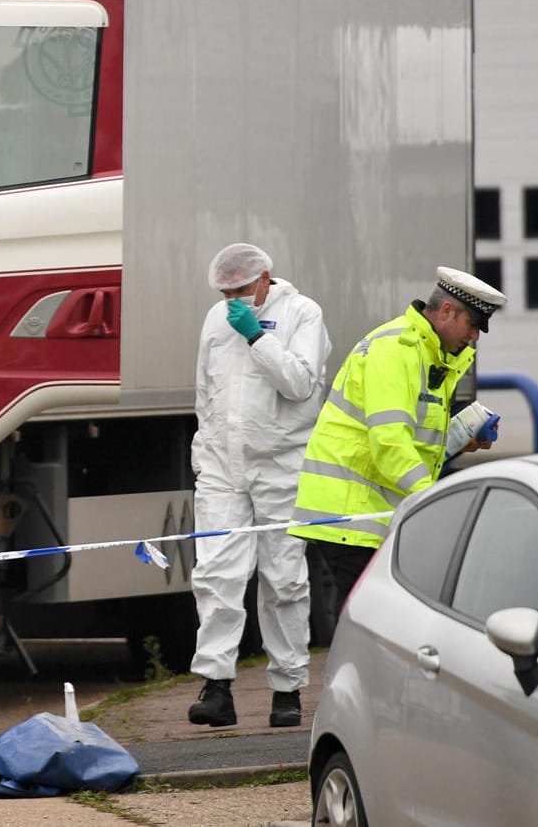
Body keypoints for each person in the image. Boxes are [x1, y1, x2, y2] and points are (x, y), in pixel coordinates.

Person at [289, 266, 506, 625]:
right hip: (351, 512)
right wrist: (433, 501)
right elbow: (390, 442)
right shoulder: (396, 350)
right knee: (374, 628)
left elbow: (409, 436)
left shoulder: (430, 353)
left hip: (373, 509)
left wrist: (459, 440)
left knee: (382, 625)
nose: (474, 338)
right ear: (447, 311)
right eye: (472, 325)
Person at [185, 244, 331, 730]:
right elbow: (206, 394)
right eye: (226, 293)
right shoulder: (214, 320)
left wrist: (257, 339)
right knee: (216, 575)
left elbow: (299, 384)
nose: (233, 301)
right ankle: (216, 686)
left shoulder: (302, 313)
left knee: (284, 579)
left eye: (241, 290)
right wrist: (205, 456)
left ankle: (287, 689)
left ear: (265, 279)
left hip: (282, 466)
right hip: (224, 468)